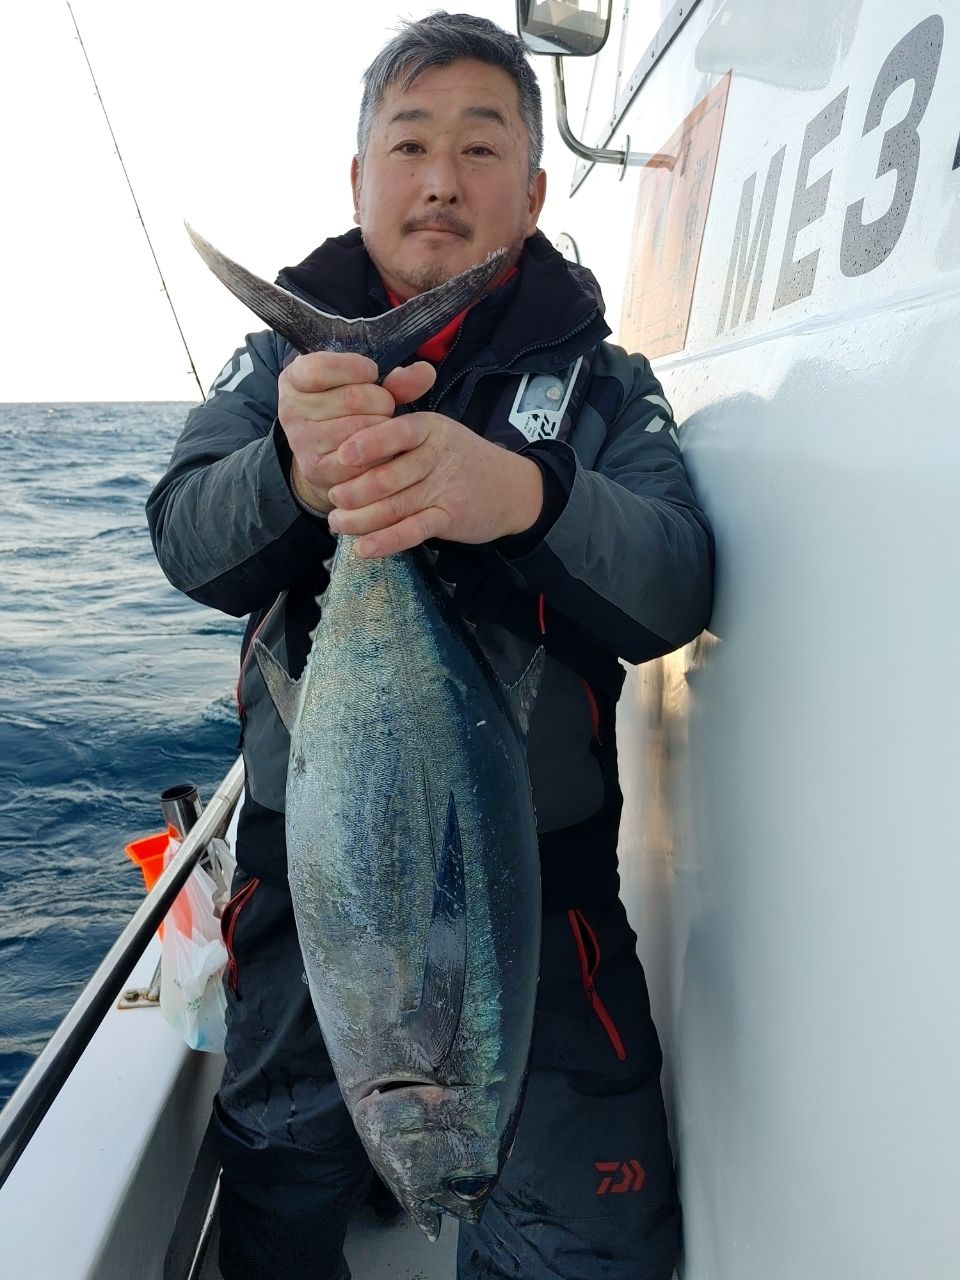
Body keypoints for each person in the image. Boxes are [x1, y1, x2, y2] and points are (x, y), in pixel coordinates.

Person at [147, 12, 713, 1279]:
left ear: (536, 186)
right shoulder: (273, 371)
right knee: (282, 1189)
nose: (443, 178)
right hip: (305, 896)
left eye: (479, 144)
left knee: (593, 1248)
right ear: (360, 179)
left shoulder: (606, 384)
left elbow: (676, 579)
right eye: (409, 145)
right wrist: (294, 468)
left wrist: (524, 496)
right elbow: (187, 538)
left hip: (547, 903)